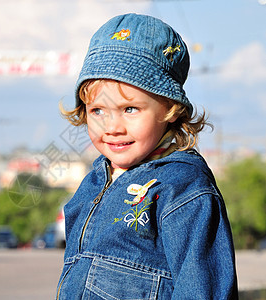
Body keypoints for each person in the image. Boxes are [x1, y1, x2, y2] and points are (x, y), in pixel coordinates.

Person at [56, 13, 238, 299]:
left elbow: (204, 290)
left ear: (169, 109)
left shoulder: (182, 187)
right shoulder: (93, 182)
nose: (112, 127)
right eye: (97, 111)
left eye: (130, 109)